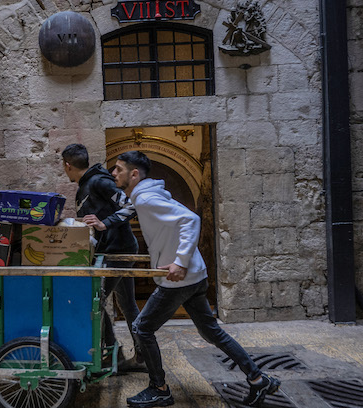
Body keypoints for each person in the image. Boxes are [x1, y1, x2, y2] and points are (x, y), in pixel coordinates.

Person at [105, 150, 280, 408]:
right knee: (212, 332)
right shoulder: (147, 195)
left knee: (142, 328)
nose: (113, 173)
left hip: (179, 279)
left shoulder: (146, 199)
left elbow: (191, 219)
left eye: (118, 169)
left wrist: (179, 262)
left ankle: (159, 388)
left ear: (134, 174)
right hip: (195, 275)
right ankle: (257, 379)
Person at [61, 143, 144, 371]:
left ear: (67, 165)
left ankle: (112, 354)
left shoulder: (98, 181)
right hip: (114, 250)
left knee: (92, 301)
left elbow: (130, 206)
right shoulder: (87, 184)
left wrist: (103, 223)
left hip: (118, 251)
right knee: (127, 305)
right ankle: (141, 356)